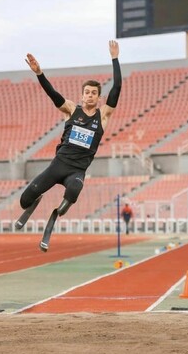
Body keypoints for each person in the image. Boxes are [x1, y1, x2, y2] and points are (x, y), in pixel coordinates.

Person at [16, 40, 122, 252]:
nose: (90, 95)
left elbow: (117, 88)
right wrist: (39, 73)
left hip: (76, 170)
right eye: (87, 92)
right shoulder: (72, 110)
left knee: (74, 189)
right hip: (58, 165)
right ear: (82, 95)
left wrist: (114, 58)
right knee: (24, 201)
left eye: (94, 93)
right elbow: (53, 94)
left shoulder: (103, 116)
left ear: (99, 97)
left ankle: (54, 216)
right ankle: (35, 200)